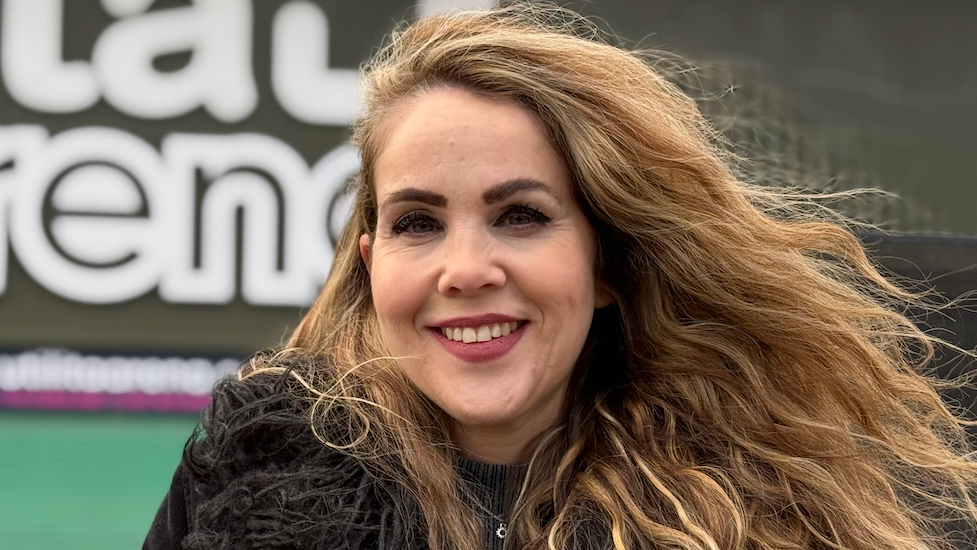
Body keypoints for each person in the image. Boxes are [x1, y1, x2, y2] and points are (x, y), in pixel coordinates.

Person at [144, 3, 977, 550]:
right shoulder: (254, 477)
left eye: (521, 216)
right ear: (371, 262)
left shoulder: (769, 506)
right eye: (417, 223)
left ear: (608, 262)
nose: (465, 270)